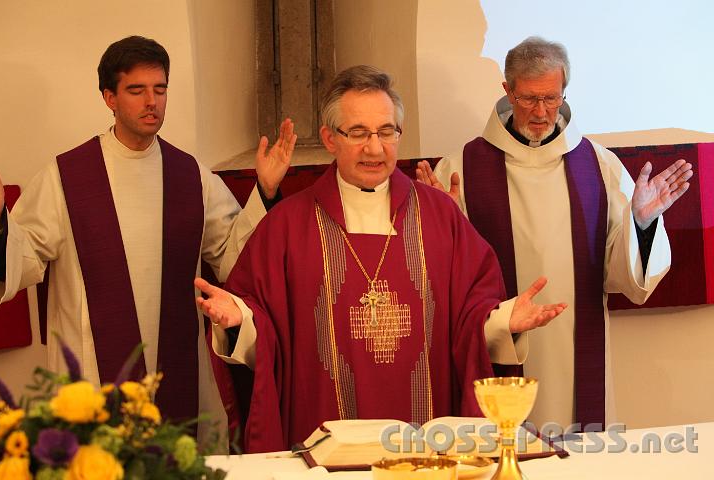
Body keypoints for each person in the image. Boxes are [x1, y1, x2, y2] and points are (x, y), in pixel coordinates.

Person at [194, 65, 567, 452]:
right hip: (323, 447)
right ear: (329, 138)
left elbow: (470, 319)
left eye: (386, 132)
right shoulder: (288, 226)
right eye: (358, 133)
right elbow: (268, 333)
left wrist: (506, 320)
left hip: (427, 446)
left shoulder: (441, 217)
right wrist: (239, 321)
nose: (375, 148)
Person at [0, 36, 296, 447]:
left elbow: (234, 259)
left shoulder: (190, 176)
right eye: (136, 90)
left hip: (178, 377)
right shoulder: (67, 177)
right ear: (109, 97)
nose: (151, 101)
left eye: (160, 89)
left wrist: (263, 190)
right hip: (93, 380)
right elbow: (23, 258)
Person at [416, 36, 693, 432]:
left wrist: (643, 223)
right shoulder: (462, 166)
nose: (542, 112)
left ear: (564, 92)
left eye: (552, 98)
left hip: (576, 348)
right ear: (507, 90)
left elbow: (625, 277)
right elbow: (444, 280)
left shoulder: (599, 166)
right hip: (499, 346)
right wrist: (440, 217)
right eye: (529, 98)